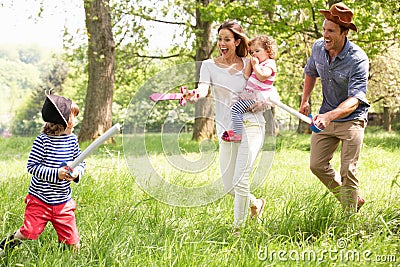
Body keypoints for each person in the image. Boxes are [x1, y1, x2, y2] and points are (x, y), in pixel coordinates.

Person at [187, 21, 268, 235]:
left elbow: (265, 85)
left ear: (237, 41)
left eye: (227, 39)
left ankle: (237, 230)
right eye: (220, 39)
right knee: (229, 186)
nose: (222, 44)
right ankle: (256, 204)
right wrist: (195, 94)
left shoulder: (250, 62)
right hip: (227, 130)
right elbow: (203, 88)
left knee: (240, 179)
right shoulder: (209, 65)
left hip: (252, 124)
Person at [299, 2, 369, 213]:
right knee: (316, 165)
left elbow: (356, 99)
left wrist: (330, 115)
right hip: (326, 116)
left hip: (352, 118)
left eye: (330, 31)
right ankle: (351, 199)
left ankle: (349, 220)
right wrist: (305, 100)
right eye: (323, 29)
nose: (325, 35)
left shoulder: (358, 59)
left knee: (348, 170)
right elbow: (311, 71)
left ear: (344, 32)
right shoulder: (319, 47)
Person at [0, 93, 85, 253]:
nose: (77, 120)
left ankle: (76, 261)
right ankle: (4, 247)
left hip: (62, 201)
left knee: (72, 239)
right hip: (40, 200)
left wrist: (76, 173)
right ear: (63, 119)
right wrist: (56, 173)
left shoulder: (72, 140)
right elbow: (32, 166)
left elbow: (81, 162)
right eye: (74, 116)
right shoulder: (43, 141)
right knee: (28, 232)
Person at [222, 35, 279, 142]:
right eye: (252, 52)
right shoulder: (256, 63)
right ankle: (236, 130)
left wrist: (256, 65)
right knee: (234, 108)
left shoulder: (269, 63)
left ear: (268, 51)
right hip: (250, 94)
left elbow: (262, 76)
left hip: (258, 96)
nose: (254, 54)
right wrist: (250, 63)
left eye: (257, 51)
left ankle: (237, 134)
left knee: (236, 109)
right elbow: (246, 76)